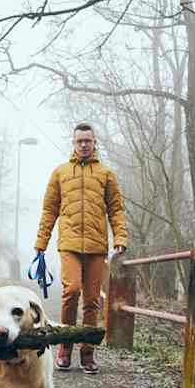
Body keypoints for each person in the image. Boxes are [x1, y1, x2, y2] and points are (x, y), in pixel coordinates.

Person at [33, 122, 128, 374]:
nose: (84, 144)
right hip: (70, 245)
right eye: (79, 141)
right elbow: (49, 210)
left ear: (94, 142)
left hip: (97, 246)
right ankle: (65, 346)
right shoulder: (60, 173)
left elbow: (116, 209)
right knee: (71, 290)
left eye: (88, 140)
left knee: (92, 301)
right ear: (73, 143)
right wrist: (41, 242)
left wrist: (120, 236)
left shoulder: (107, 174)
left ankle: (87, 353)